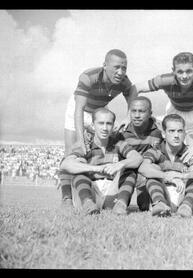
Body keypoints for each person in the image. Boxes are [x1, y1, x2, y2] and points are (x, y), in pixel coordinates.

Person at [60, 49, 138, 207]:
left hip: (99, 112)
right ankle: (66, 197)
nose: (120, 72)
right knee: (72, 152)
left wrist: (127, 116)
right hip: (79, 110)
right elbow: (79, 109)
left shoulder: (124, 81)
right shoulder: (88, 77)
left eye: (124, 68)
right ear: (104, 65)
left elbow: (132, 94)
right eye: (116, 67)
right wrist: (81, 140)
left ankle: (102, 190)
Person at [60, 108, 143, 216]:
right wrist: (94, 168)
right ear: (93, 126)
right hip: (91, 190)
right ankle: (88, 204)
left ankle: (121, 205)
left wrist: (119, 164)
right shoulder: (85, 146)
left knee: (130, 170)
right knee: (78, 169)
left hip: (111, 191)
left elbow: (137, 158)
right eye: (101, 123)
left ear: (113, 126)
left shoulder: (118, 144)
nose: (104, 128)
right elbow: (65, 164)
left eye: (108, 124)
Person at [134, 52, 193, 165]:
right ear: (173, 71)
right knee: (168, 149)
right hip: (175, 110)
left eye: (189, 71)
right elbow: (136, 88)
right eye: (180, 72)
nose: (184, 76)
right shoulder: (165, 79)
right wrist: (128, 116)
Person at [138, 114, 193, 217]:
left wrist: (183, 176)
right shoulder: (156, 150)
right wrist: (167, 176)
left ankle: (186, 207)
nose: (176, 135)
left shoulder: (190, 153)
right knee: (152, 171)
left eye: (180, 131)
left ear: (184, 133)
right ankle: (160, 204)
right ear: (164, 134)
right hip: (161, 193)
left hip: (183, 195)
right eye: (171, 131)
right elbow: (143, 168)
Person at [118, 96, 163, 211]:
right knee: (129, 171)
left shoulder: (159, 131)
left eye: (142, 111)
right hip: (128, 174)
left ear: (150, 113)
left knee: (144, 206)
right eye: (134, 111)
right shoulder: (122, 132)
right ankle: (121, 203)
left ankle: (156, 203)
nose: (137, 115)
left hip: (147, 173)